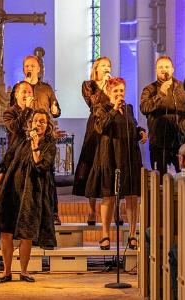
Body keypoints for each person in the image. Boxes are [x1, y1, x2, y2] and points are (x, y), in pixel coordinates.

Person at [0, 109, 57, 283]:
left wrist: (35, 145)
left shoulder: (49, 144)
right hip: (11, 189)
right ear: (31, 123)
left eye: (42, 121)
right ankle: (6, 271)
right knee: (6, 231)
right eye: (36, 121)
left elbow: (41, 166)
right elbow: (6, 161)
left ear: (47, 125)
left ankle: (24, 271)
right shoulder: (21, 139)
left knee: (26, 232)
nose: (38, 124)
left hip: (32, 192)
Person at [85, 77, 147, 250]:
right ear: (109, 92)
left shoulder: (128, 109)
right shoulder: (101, 108)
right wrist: (113, 109)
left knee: (132, 197)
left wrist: (140, 132)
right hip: (109, 155)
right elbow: (100, 128)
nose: (119, 94)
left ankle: (133, 235)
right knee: (109, 196)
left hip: (129, 156)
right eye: (116, 91)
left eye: (121, 90)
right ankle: (105, 234)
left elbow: (131, 127)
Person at [11, 55, 61, 225]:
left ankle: (53, 213)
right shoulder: (19, 88)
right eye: (26, 65)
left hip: (44, 139)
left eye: (32, 65)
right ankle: (23, 212)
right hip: (25, 139)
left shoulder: (46, 88)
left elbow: (56, 109)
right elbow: (14, 110)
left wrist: (54, 110)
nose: (29, 68)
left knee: (49, 176)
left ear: (38, 68)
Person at [72, 57, 112, 226]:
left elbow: (116, 102)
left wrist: (110, 87)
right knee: (91, 164)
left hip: (110, 124)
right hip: (95, 126)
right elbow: (93, 103)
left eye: (108, 66)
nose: (106, 69)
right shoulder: (89, 85)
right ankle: (91, 211)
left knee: (110, 164)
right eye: (103, 66)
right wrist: (103, 86)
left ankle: (114, 209)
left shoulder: (113, 84)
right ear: (96, 68)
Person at [140, 56, 185, 176]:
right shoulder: (149, 89)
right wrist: (161, 93)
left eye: (167, 67)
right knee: (160, 180)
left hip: (179, 142)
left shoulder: (182, 88)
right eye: (160, 67)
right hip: (159, 142)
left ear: (172, 69)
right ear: (156, 70)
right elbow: (144, 108)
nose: (164, 70)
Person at [3, 81, 34, 146]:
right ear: (16, 95)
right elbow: (15, 128)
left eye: (30, 92)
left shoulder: (35, 112)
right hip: (17, 152)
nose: (27, 95)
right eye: (24, 92)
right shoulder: (9, 112)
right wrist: (26, 109)